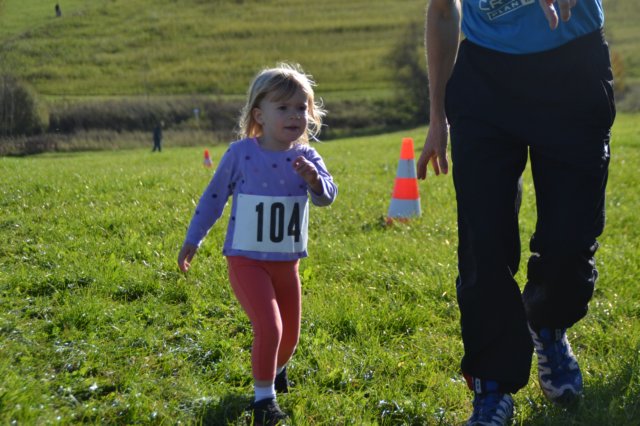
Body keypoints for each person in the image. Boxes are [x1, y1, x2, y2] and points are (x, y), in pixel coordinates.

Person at [418, 1, 615, 424]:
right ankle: (492, 387)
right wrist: (437, 116)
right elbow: (443, 11)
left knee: (571, 237)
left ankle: (548, 322)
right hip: (486, 81)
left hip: (573, 69)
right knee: (483, 242)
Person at [177, 63, 337, 425]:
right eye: (283, 108)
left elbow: (327, 197)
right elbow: (214, 198)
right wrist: (193, 238)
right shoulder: (240, 154)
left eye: (301, 107)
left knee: (290, 337)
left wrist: (314, 180)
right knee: (270, 327)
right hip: (246, 261)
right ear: (259, 115)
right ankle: (264, 401)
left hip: (287, 264)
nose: (294, 115)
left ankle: (275, 371)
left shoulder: (308, 158)